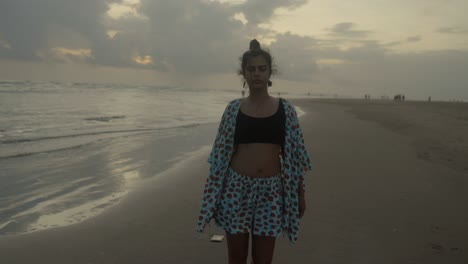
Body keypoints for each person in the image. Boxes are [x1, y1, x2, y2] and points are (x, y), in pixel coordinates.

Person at [196, 39, 312, 264]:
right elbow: (220, 157)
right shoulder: (233, 110)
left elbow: (295, 156)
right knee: (236, 258)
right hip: (236, 189)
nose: (256, 74)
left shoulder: (285, 110)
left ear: (270, 73)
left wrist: (300, 193)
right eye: (251, 69)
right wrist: (213, 195)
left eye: (262, 69)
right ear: (244, 74)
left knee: (263, 260)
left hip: (271, 192)